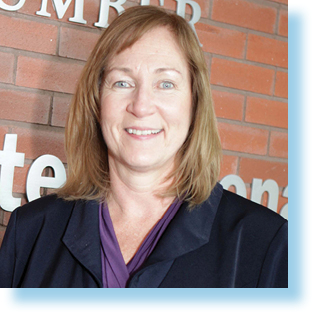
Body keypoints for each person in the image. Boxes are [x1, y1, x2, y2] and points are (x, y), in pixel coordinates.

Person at [0, 5, 287, 288]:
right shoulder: (31, 230)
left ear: (194, 102)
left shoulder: (263, 243)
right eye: (122, 83)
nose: (141, 106)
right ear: (97, 100)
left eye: (165, 84)